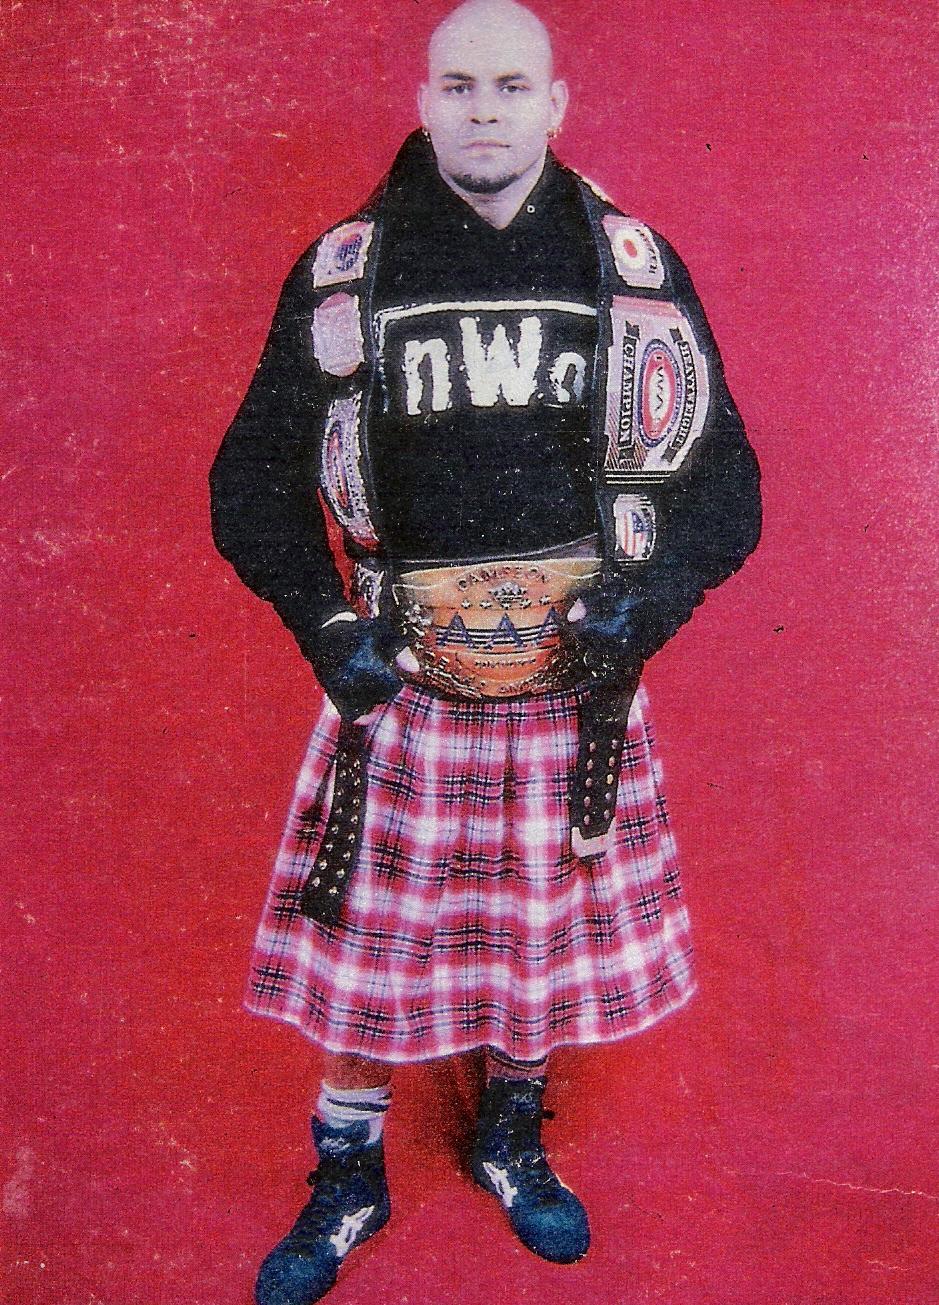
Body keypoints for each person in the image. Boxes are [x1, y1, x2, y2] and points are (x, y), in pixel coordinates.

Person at [209, 2, 761, 1302]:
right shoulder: (347, 269)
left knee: (540, 934)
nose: (485, 111)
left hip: (578, 692)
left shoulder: (627, 265)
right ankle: (348, 1173)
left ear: (556, 105)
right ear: (423, 101)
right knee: (369, 952)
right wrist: (328, 627)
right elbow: (249, 483)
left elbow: (726, 485)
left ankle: (512, 1137)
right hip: (403, 684)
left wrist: (652, 604)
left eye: (512, 86)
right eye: (459, 86)